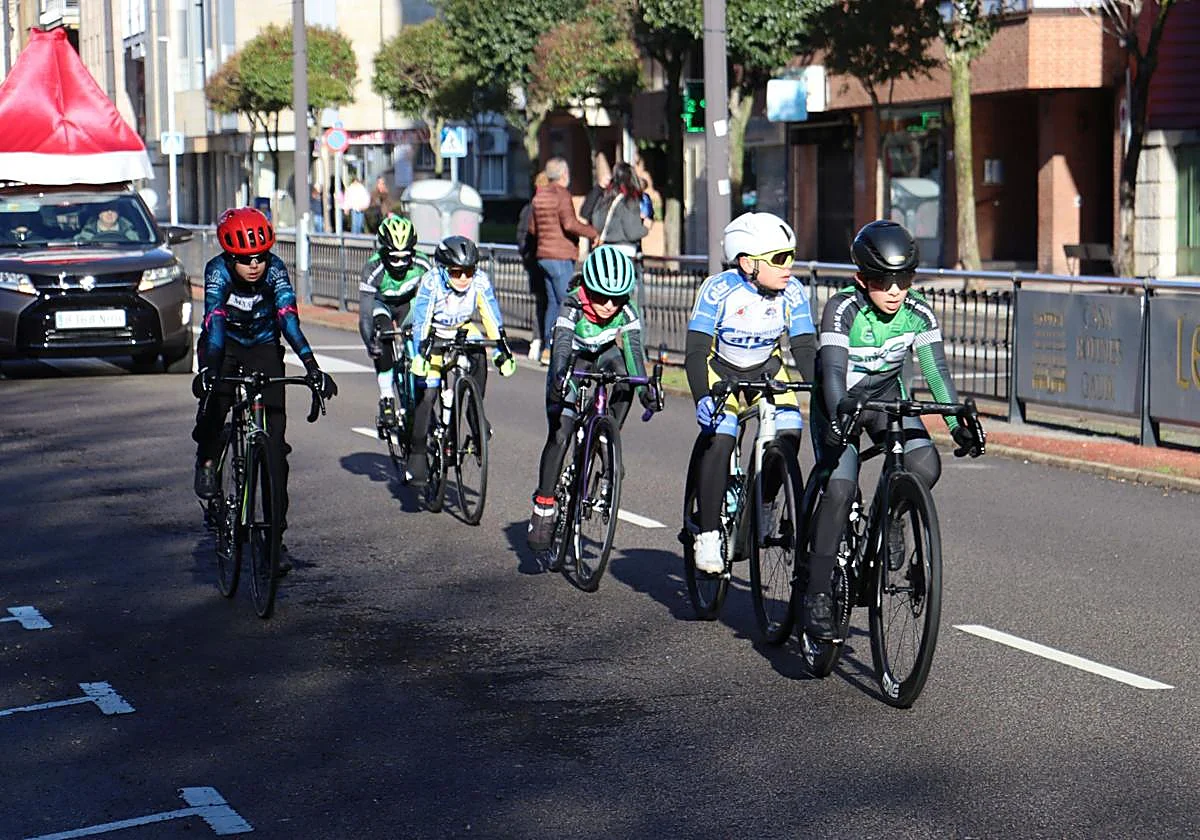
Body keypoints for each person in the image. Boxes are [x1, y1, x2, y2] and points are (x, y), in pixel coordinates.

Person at [803, 220, 984, 640]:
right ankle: (816, 592)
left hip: (886, 399)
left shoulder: (918, 312)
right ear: (862, 279)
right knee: (841, 487)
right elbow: (831, 372)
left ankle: (894, 515)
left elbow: (935, 373)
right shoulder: (843, 309)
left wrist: (957, 425)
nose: (895, 289)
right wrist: (837, 416)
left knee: (925, 465)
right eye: (884, 280)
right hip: (841, 402)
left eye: (904, 278)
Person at [192, 207, 338, 572]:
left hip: (263, 346)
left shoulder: (275, 270)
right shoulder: (217, 272)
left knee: (276, 453)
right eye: (245, 260)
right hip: (222, 345)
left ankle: (275, 542)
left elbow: (288, 318)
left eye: (259, 257)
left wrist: (311, 366)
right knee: (216, 400)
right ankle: (208, 455)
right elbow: (213, 324)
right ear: (230, 257)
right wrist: (209, 370)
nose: (254, 266)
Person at [684, 212, 816, 575]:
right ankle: (709, 533)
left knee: (790, 431)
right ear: (747, 263)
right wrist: (703, 397)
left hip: (766, 369)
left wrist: (824, 386)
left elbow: (804, 347)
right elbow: (695, 351)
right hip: (721, 370)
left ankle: (768, 501)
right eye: (779, 258)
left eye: (791, 255)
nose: (789, 266)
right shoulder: (718, 289)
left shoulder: (793, 291)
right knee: (723, 436)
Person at [526, 245, 661, 551]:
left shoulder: (625, 310)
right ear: (588, 288)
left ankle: (606, 435)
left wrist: (645, 391)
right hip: (572, 360)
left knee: (626, 376)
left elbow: (634, 355)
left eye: (617, 298)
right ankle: (544, 504)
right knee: (560, 433)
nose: (609, 305)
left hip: (603, 356)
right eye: (601, 297)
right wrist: (559, 379)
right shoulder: (572, 304)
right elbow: (560, 348)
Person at [405, 235, 516, 486]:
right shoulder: (431, 282)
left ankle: (474, 414)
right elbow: (421, 321)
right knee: (429, 393)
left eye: (469, 271)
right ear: (444, 271)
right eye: (457, 273)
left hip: (462, 328)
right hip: (433, 335)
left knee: (479, 354)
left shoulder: (480, 281)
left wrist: (502, 350)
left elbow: (490, 316)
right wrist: (420, 353)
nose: (464, 278)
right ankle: (418, 453)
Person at [358, 212, 433, 433]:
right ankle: (387, 398)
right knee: (381, 334)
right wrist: (369, 341)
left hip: (407, 304)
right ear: (384, 251)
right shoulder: (373, 269)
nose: (400, 264)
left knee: (417, 332)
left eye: (405, 257)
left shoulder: (422, 263)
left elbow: (434, 297)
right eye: (394, 257)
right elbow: (364, 314)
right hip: (382, 304)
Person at [528, 157, 599, 366]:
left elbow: (532, 228)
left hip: (543, 255)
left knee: (553, 303)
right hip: (560, 255)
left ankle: (548, 349)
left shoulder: (539, 197)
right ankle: (561, 349)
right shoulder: (562, 195)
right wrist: (592, 233)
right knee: (567, 303)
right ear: (563, 175)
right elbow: (569, 223)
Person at [589, 161, 651, 319]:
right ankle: (631, 339)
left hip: (605, 254)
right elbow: (632, 232)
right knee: (627, 304)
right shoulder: (629, 200)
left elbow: (595, 221)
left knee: (606, 300)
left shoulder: (606, 198)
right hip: (625, 255)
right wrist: (646, 227)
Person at [516, 172, 549, 361]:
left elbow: (521, 237)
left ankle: (537, 340)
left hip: (533, 261)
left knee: (541, 302)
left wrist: (527, 256)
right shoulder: (536, 209)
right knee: (549, 301)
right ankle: (542, 341)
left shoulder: (528, 208)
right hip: (539, 260)